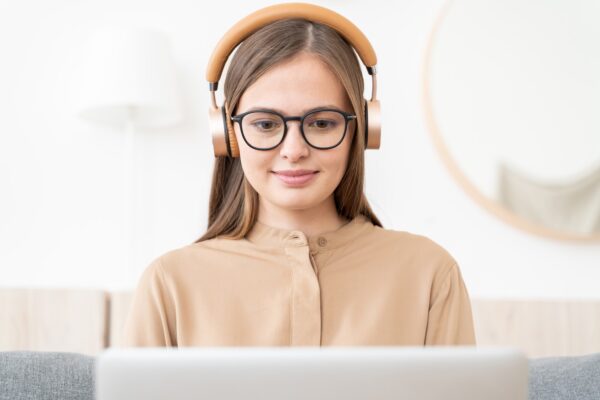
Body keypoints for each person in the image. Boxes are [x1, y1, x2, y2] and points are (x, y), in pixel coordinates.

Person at [122, 3, 476, 347]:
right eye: (265, 123)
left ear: (363, 130)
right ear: (227, 135)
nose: (294, 150)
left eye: (321, 123)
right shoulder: (169, 284)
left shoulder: (430, 274)